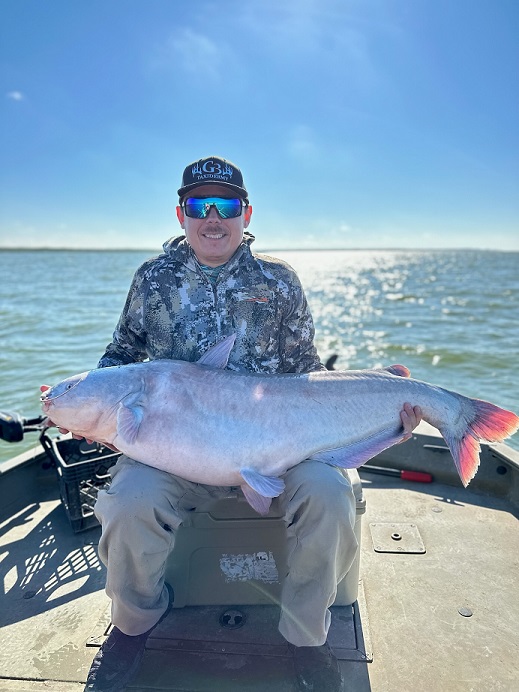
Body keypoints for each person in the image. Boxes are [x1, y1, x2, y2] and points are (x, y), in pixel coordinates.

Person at [82, 156, 422, 692]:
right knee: (126, 503)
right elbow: (122, 354)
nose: (213, 217)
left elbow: (309, 378)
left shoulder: (279, 281)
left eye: (226, 205)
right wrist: (93, 409)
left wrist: (381, 421)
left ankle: (306, 640)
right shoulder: (153, 278)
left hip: (282, 451)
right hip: (177, 455)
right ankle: (134, 626)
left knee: (333, 499)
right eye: (200, 205)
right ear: (180, 214)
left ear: (246, 213)